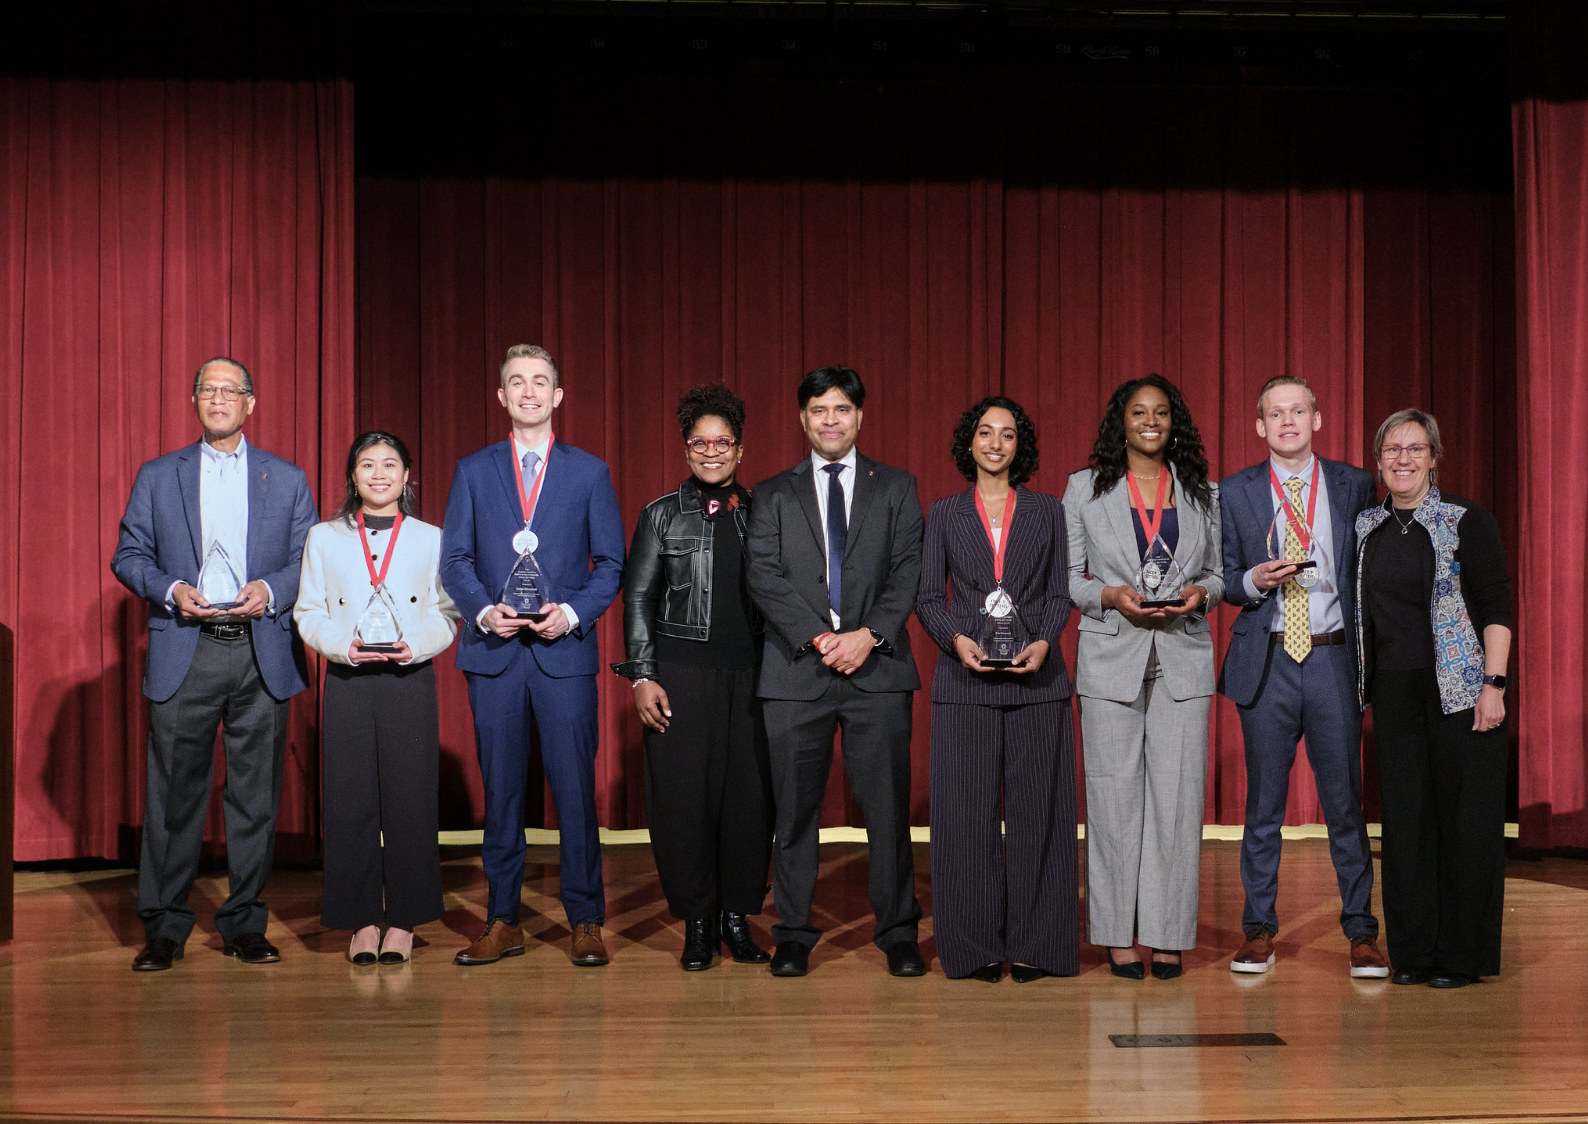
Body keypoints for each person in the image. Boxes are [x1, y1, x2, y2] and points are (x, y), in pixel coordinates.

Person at [111, 356, 318, 972]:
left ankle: (245, 923)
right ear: (195, 401)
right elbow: (129, 554)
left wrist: (272, 590)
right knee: (174, 796)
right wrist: (171, 588)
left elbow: (310, 558)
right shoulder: (158, 475)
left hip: (261, 650)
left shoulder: (287, 479)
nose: (219, 399)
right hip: (187, 646)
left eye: (231, 391)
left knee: (255, 799)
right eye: (209, 389)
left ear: (251, 403)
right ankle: (164, 927)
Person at [439, 344, 625, 967]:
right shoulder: (473, 471)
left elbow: (611, 564)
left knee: (574, 792)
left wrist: (570, 613)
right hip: (494, 652)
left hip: (562, 653)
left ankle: (586, 920)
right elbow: (455, 561)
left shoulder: (589, 473)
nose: (528, 391)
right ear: (501, 396)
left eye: (540, 381)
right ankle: (503, 920)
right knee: (502, 794)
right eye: (516, 382)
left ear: (557, 395)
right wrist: (482, 611)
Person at [745, 366, 926, 978]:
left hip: (878, 672)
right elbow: (763, 576)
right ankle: (794, 932)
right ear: (803, 419)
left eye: (842, 409)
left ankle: (898, 931)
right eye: (819, 410)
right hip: (797, 673)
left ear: (859, 416)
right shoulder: (772, 493)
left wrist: (868, 636)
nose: (831, 420)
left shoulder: (896, 487)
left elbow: (908, 570)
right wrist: (823, 638)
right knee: (795, 814)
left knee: (887, 812)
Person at [1217, 376, 1388, 978]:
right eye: (1275, 413)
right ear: (1259, 426)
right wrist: (1251, 581)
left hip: (1331, 658)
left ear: (1316, 418)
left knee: (1344, 804)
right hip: (1267, 660)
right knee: (1263, 806)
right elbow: (1221, 576)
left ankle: (1362, 933)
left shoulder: (1354, 484)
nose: (1287, 421)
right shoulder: (1233, 491)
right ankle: (1258, 930)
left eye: (1297, 411)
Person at [1062, 374, 1224, 981]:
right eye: (1138, 412)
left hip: (1183, 656)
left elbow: (1217, 573)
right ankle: (1115, 934)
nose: (1150, 421)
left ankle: (1167, 933)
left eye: (1160, 412)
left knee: (1178, 801)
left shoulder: (1202, 491)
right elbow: (1069, 578)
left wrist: (1201, 596)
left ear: (1174, 422)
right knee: (1112, 800)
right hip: (1111, 658)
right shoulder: (1083, 489)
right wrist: (1109, 595)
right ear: (1121, 422)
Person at [612, 385, 774, 971]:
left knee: (748, 804)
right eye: (699, 443)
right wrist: (642, 676)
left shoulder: (763, 510)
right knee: (685, 805)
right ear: (686, 450)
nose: (711, 452)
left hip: (754, 678)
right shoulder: (660, 514)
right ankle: (699, 924)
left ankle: (737, 918)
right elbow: (637, 598)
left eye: (721, 443)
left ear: (739, 449)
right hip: (681, 678)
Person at [916, 397, 1077, 984]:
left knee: (1041, 817)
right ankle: (974, 948)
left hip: (1038, 680)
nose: (995, 443)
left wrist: (1045, 640)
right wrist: (955, 639)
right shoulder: (943, 514)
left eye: (1007, 434)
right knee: (964, 819)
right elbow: (928, 597)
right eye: (985, 432)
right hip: (965, 680)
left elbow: (1059, 592)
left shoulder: (1048, 511)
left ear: (1019, 445)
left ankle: (1039, 945)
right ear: (970, 442)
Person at [1355, 408, 1511, 989]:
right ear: (1378, 461)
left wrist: (1494, 685)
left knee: (1465, 824)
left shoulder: (1467, 519)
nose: (1403, 459)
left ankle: (1461, 957)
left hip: (1463, 691)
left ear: (1434, 457)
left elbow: (1496, 606)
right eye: (1392, 450)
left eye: (1415, 448)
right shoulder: (1366, 528)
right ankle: (1415, 952)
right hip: (1394, 691)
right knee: (1405, 823)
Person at [295, 432, 460, 965]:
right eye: (368, 464)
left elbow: (447, 612)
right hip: (348, 678)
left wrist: (418, 645)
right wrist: (341, 647)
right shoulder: (324, 537)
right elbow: (307, 610)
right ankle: (361, 920)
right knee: (350, 803)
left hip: (408, 677)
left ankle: (405, 920)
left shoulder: (431, 538)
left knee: (411, 801)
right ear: (353, 475)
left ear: (407, 475)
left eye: (390, 464)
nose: (379, 474)